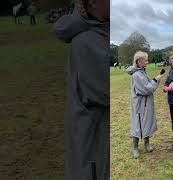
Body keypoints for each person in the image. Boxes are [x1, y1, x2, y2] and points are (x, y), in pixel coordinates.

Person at [53, 0, 109, 179]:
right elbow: (106, 92)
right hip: (94, 143)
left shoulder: (102, 31)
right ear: (92, 3)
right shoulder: (85, 42)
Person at [126, 51, 163, 159]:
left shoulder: (142, 71)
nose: (147, 61)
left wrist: (153, 80)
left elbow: (146, 85)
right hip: (140, 104)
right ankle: (135, 147)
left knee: (146, 122)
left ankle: (147, 143)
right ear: (139, 61)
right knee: (138, 124)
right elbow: (147, 89)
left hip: (145, 104)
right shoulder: (137, 74)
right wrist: (156, 80)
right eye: (146, 60)